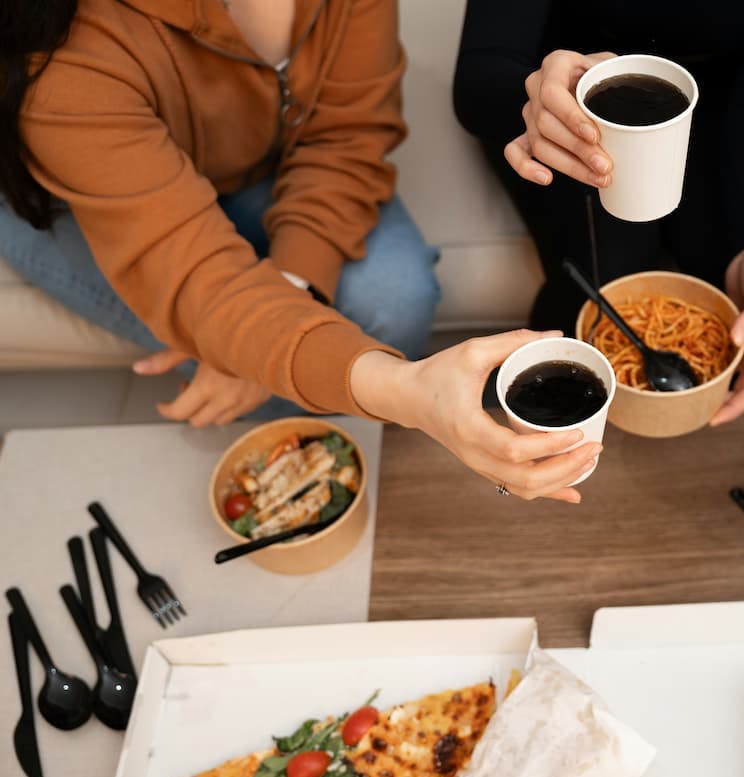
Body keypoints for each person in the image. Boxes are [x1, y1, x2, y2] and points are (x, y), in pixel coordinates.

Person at [1, 0, 596, 503]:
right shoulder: (62, 60)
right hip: (77, 201)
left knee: (390, 301)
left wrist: (283, 301)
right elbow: (193, 273)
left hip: (262, 160)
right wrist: (404, 392)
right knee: (239, 331)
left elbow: (345, 135)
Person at [453, 1, 744, 424]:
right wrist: (536, 99)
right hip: (570, 95)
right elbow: (479, 75)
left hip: (740, 102)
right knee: (590, 301)